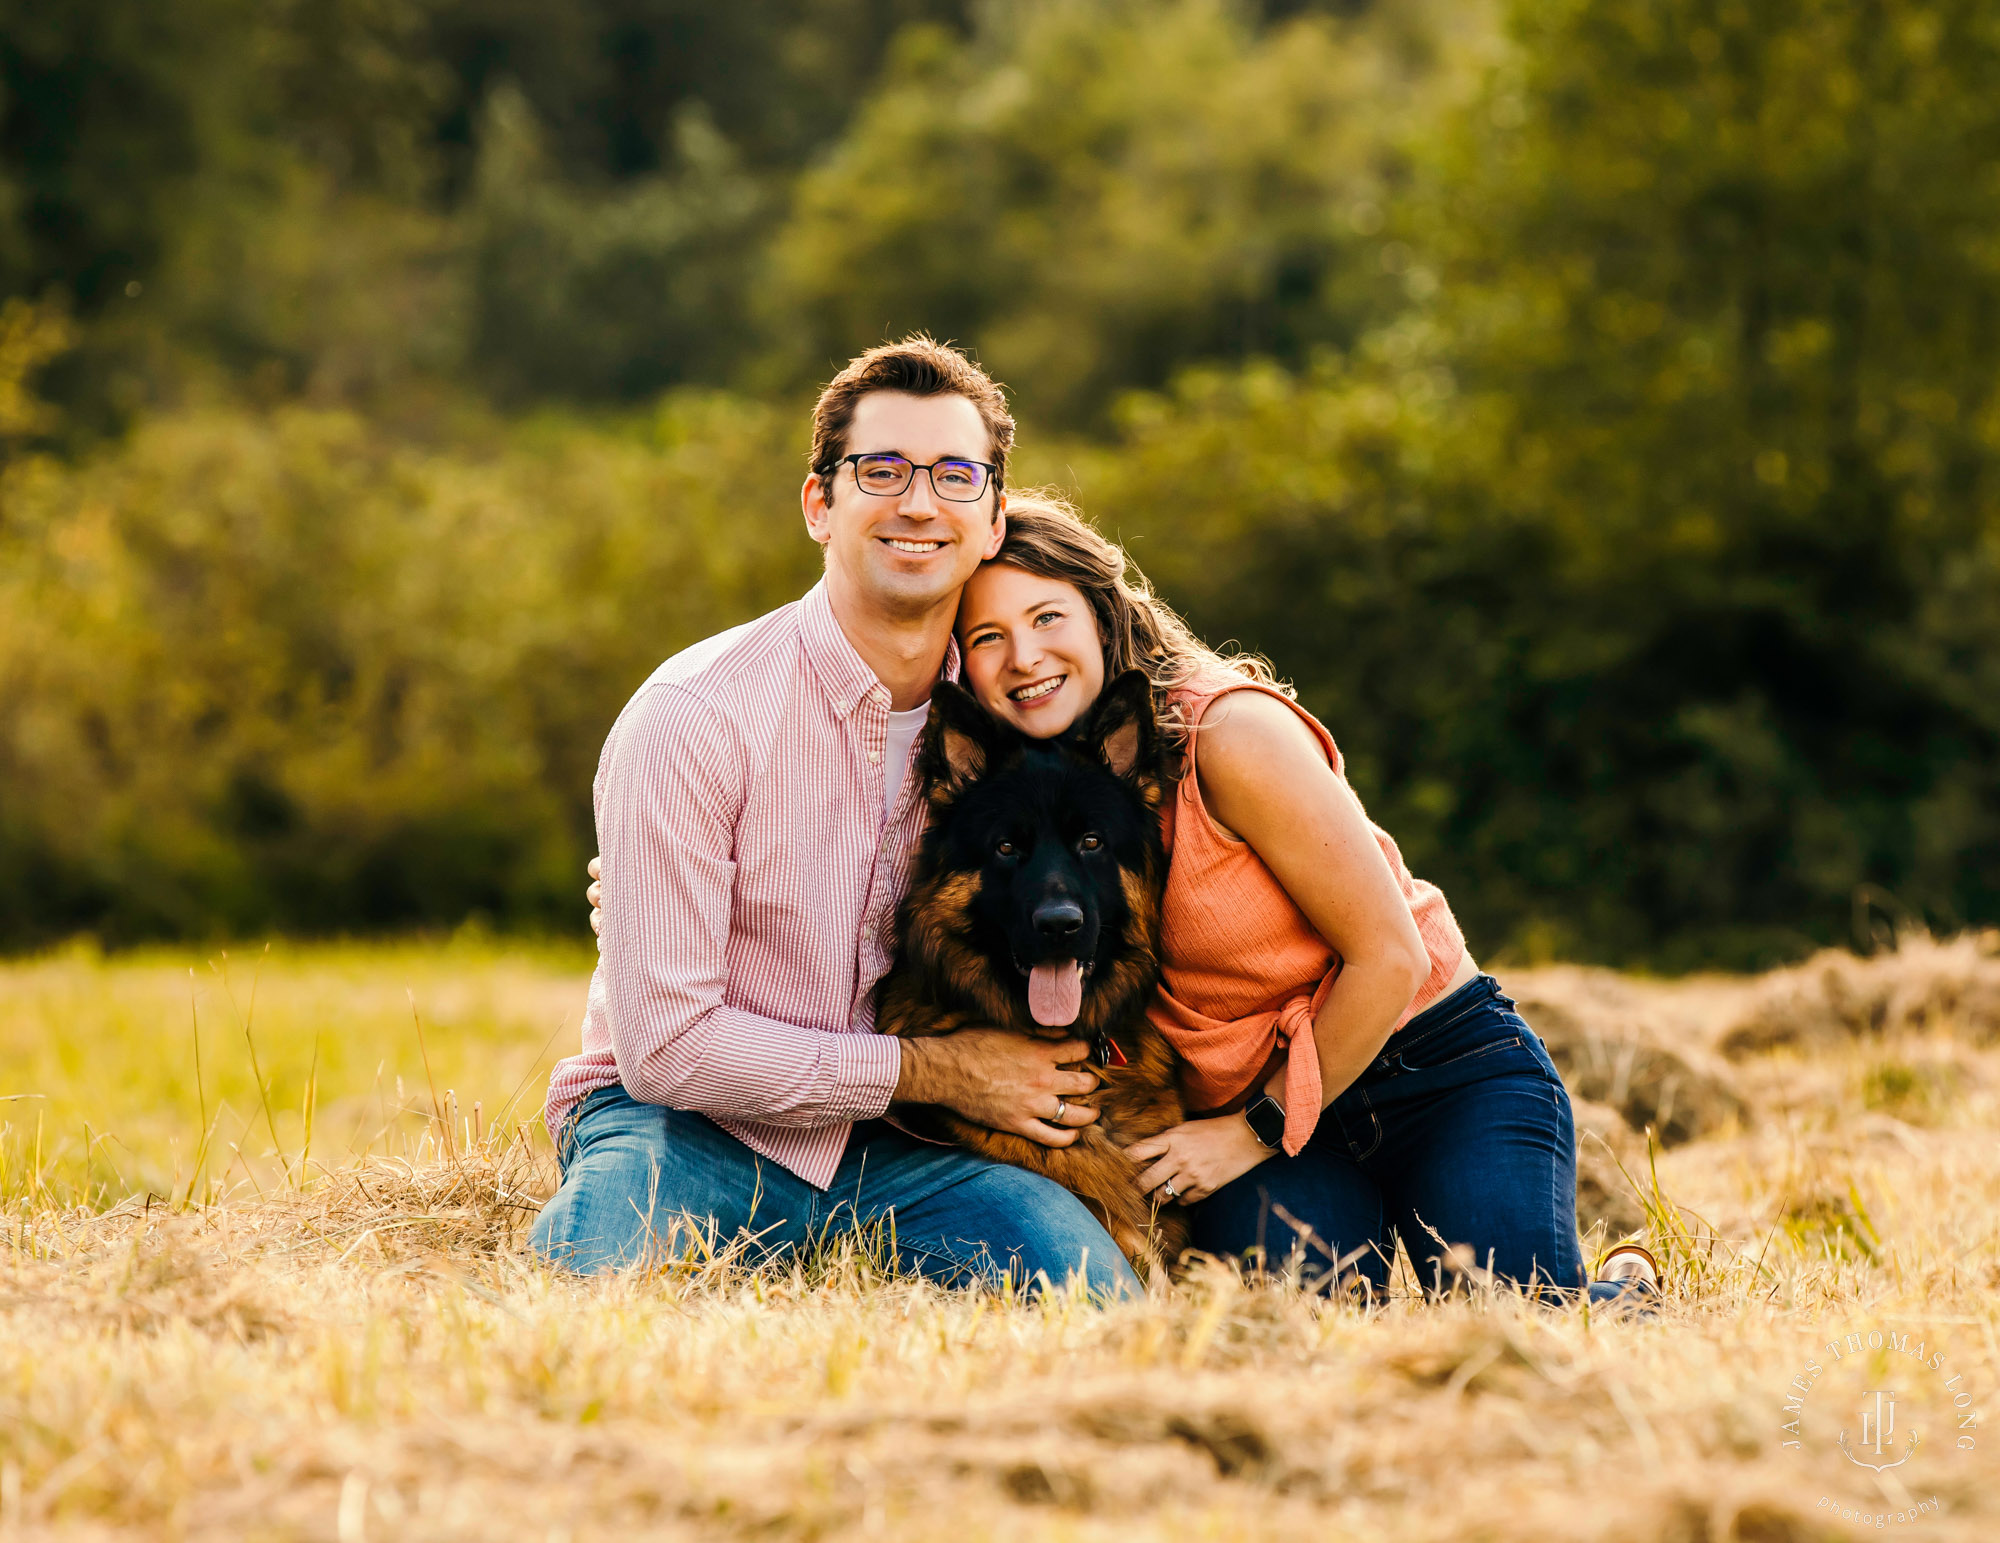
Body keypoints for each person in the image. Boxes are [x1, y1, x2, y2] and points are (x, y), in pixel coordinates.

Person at [531, 339, 1139, 1298]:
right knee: (578, 1291)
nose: (917, 502)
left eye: (954, 474)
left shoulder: (1022, 724)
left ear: (992, 519)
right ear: (820, 503)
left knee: (1093, 1295)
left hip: (910, 1154)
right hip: (685, 1129)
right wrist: (937, 1070)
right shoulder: (694, 715)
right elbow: (667, 1049)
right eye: (882, 470)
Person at [949, 495, 1658, 1307]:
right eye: (987, 637)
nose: (1023, 657)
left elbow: (1392, 955)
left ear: (1102, 611)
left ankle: (1626, 1289)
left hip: (1429, 1068)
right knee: (1304, 1328)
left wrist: (1249, 1132)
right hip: (1276, 1126)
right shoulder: (1020, 790)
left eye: (1046, 617)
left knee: (1514, 1322)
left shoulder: (1227, 735)